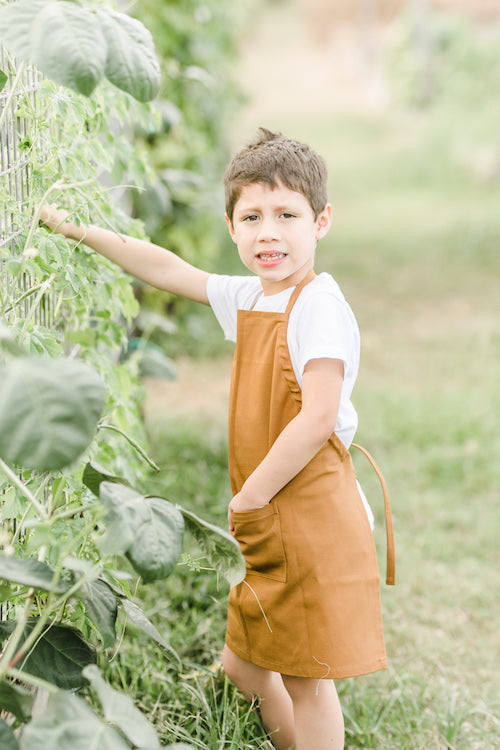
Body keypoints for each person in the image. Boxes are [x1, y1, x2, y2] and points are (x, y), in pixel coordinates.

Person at [41, 128, 395, 750]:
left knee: (306, 677)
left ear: (322, 221)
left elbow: (317, 417)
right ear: (231, 227)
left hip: (306, 509)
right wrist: (80, 232)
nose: (269, 233)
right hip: (267, 509)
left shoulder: (318, 306)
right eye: (251, 216)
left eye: (287, 215)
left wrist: (250, 497)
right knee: (243, 663)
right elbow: (168, 268)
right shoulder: (253, 298)